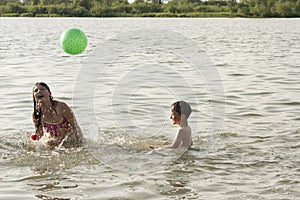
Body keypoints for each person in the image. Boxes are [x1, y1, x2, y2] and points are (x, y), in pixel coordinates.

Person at [31, 82, 84, 149]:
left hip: (70, 141)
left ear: (50, 93)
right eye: (36, 91)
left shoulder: (62, 107)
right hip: (54, 143)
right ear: (34, 97)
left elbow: (75, 127)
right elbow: (39, 135)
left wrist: (81, 144)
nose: (39, 91)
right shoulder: (36, 115)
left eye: (42, 89)